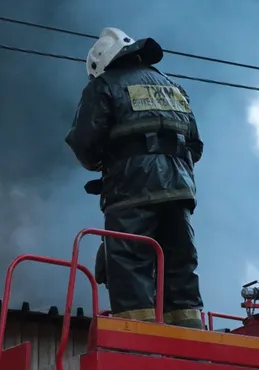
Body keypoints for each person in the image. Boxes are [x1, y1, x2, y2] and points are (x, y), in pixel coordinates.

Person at [65, 27, 204, 328]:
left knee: (128, 262)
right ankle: (189, 334)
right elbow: (195, 146)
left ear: (101, 63)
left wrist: (111, 163)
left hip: (131, 190)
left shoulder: (104, 86)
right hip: (180, 191)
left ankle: (137, 338)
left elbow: (84, 144)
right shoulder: (174, 88)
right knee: (178, 264)